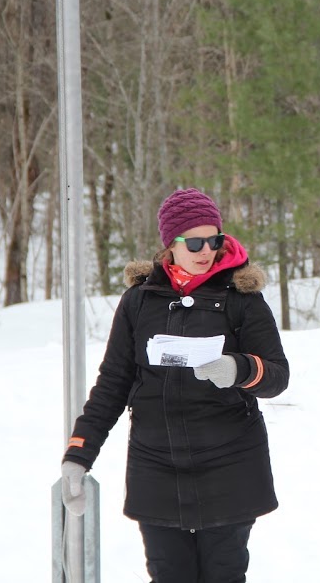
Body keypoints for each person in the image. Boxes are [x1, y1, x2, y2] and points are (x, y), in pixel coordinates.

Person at [59, 188, 289, 583]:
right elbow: (113, 383)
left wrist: (240, 368)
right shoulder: (139, 301)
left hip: (229, 465)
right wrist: (79, 454)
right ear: (171, 244)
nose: (206, 251)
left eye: (214, 240)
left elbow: (277, 375)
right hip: (156, 466)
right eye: (194, 242)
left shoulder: (243, 299)